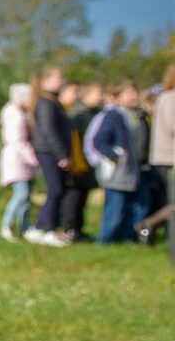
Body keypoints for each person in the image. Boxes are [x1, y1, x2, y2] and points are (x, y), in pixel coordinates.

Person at [89, 80, 146, 244]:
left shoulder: (139, 116)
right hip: (119, 171)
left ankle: (129, 237)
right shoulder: (114, 116)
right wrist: (116, 156)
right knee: (115, 209)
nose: (134, 96)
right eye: (129, 93)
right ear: (117, 98)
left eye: (135, 92)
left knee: (139, 206)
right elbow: (99, 140)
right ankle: (104, 241)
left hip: (136, 170)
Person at [29, 66, 70, 245]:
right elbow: (48, 130)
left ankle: (39, 227)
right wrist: (61, 154)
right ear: (46, 81)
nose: (62, 81)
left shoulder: (53, 101)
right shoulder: (45, 103)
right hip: (48, 151)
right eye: (58, 77)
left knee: (56, 190)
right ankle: (48, 230)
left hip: (50, 150)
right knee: (55, 190)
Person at [62, 82, 103, 241]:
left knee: (83, 196)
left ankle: (79, 228)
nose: (100, 97)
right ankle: (69, 227)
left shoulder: (97, 114)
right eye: (96, 93)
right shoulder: (78, 115)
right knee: (74, 196)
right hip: (78, 161)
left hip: (89, 162)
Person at [0, 83, 37, 243]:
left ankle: (24, 226)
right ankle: (6, 226)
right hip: (17, 161)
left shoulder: (22, 115)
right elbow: (18, 141)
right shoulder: (16, 117)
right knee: (21, 195)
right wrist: (34, 158)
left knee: (26, 198)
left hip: (23, 161)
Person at [139, 66, 175, 245]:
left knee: (168, 200)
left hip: (167, 157)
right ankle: (147, 224)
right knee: (172, 201)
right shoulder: (170, 97)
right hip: (168, 158)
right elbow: (172, 126)